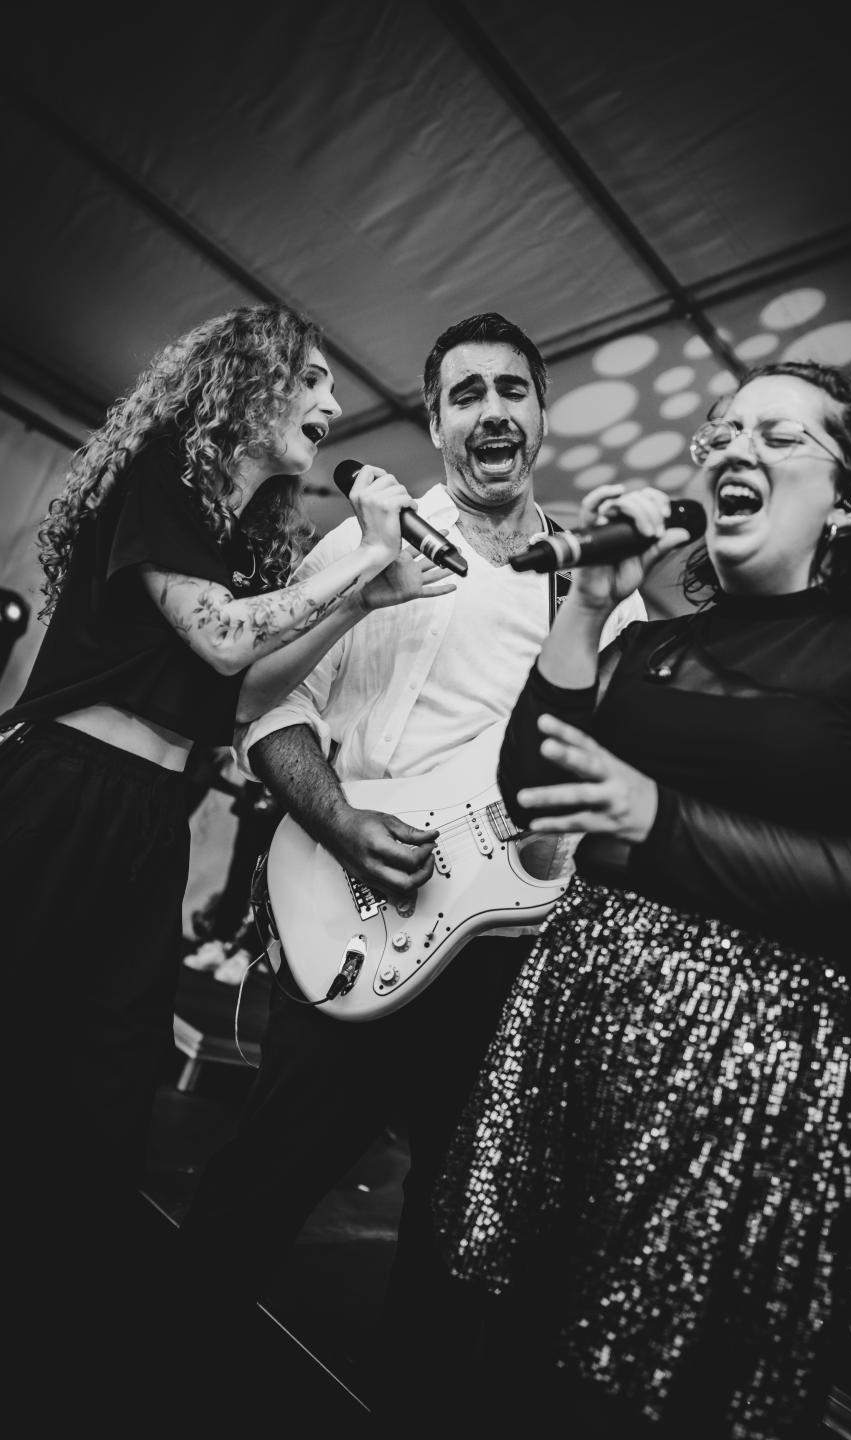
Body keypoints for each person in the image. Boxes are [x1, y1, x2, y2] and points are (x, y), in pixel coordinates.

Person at [433, 360, 851, 1440]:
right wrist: (590, 598)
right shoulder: (646, 642)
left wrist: (660, 818)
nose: (733, 450)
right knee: (507, 1355)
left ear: (848, 499)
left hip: (750, 1069)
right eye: (721, 434)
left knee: (658, 1381)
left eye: (777, 435)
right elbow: (529, 788)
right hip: (574, 1030)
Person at [176, 312, 647, 1421]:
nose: (493, 411)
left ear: (541, 414)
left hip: (505, 953)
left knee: (453, 1235)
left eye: (513, 390)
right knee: (258, 1186)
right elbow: (268, 708)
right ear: (435, 423)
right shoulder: (367, 541)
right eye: (466, 394)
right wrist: (342, 822)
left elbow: (609, 769)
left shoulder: (597, 588)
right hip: (351, 913)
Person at [0, 301, 450, 1417]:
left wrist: (365, 599)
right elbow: (218, 634)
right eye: (310, 379)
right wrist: (370, 553)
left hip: (152, 818)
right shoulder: (163, 474)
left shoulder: (249, 538)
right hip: (63, 794)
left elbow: (239, 692)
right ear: (246, 382)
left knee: (110, 1092)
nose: (334, 403)